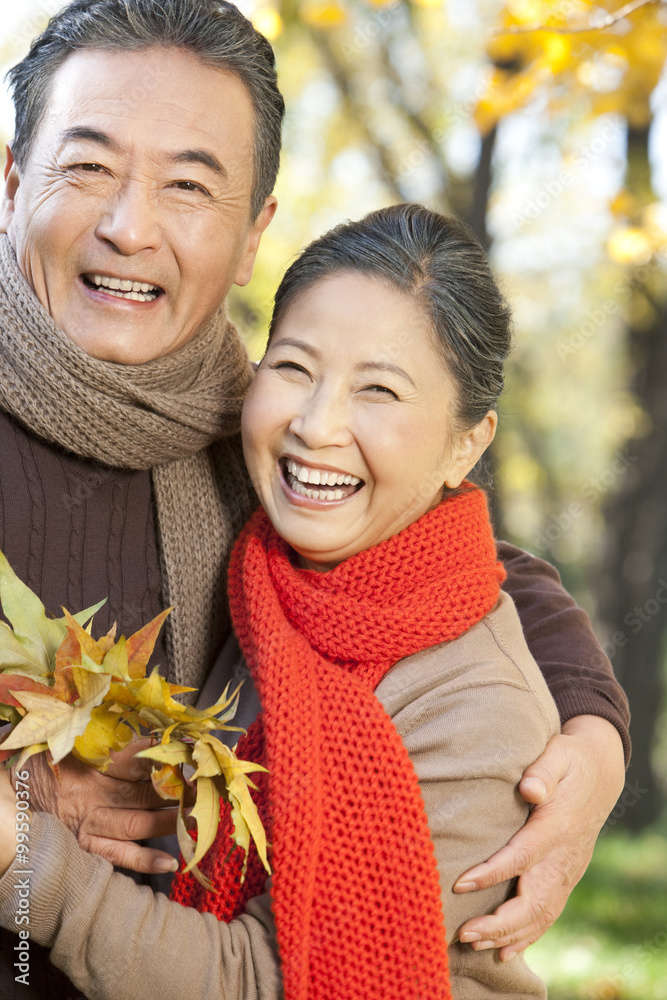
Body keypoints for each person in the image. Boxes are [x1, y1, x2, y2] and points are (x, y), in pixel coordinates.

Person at [0, 1, 627, 997]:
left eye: (189, 185)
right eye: (87, 167)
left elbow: (450, 564)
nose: (130, 227)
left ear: (252, 238)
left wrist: (592, 728)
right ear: (12, 179)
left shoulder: (258, 440)